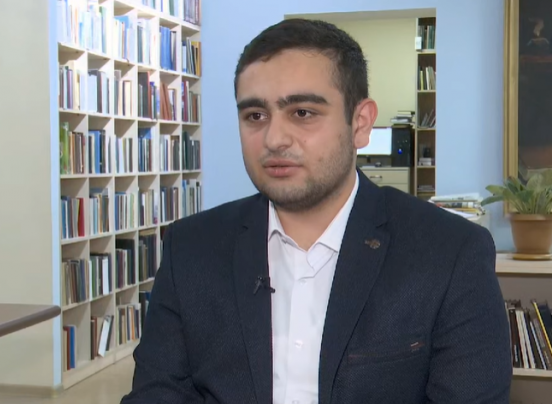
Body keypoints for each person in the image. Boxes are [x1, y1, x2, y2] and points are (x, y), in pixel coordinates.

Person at [121, 18, 512, 404]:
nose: (274, 139)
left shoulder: (450, 253)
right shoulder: (190, 248)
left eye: (302, 113)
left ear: (360, 123)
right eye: (255, 116)